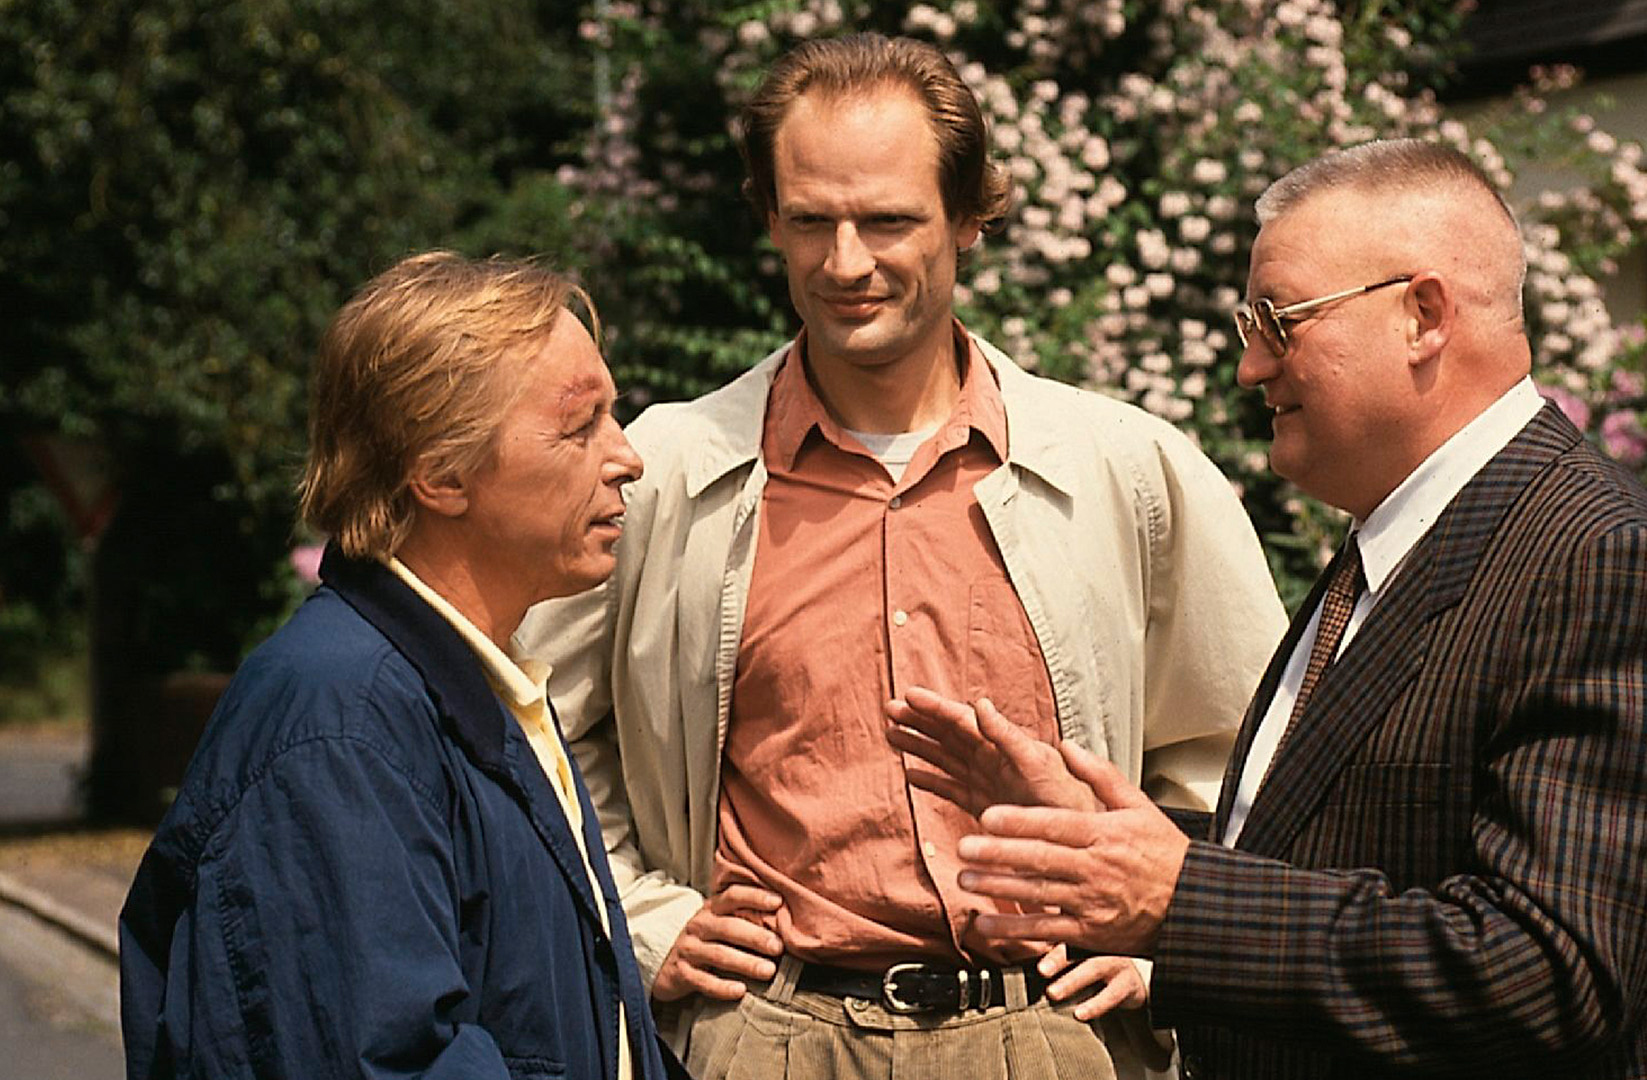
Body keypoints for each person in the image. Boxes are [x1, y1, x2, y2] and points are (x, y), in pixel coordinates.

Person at [886, 139, 1647, 1079]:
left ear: (1423, 316)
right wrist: (1107, 850)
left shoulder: (1605, 561)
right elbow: (1339, 858)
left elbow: (1549, 972)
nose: (1251, 367)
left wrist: (1177, 900)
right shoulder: (1394, 549)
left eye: (1279, 320)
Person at [514, 32, 1283, 1080]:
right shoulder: (665, 471)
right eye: (809, 221)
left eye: (887, 221)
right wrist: (645, 920)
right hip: (765, 1039)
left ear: (969, 217)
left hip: (1051, 1037)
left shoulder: (1125, 466)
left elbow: (1252, 758)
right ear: (768, 218)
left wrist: (1171, 944)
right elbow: (533, 728)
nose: (845, 264)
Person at [119, 252, 686, 1080]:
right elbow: (383, 1058)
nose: (626, 456)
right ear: (442, 474)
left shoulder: (467, 687)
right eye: (580, 425)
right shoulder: (342, 727)